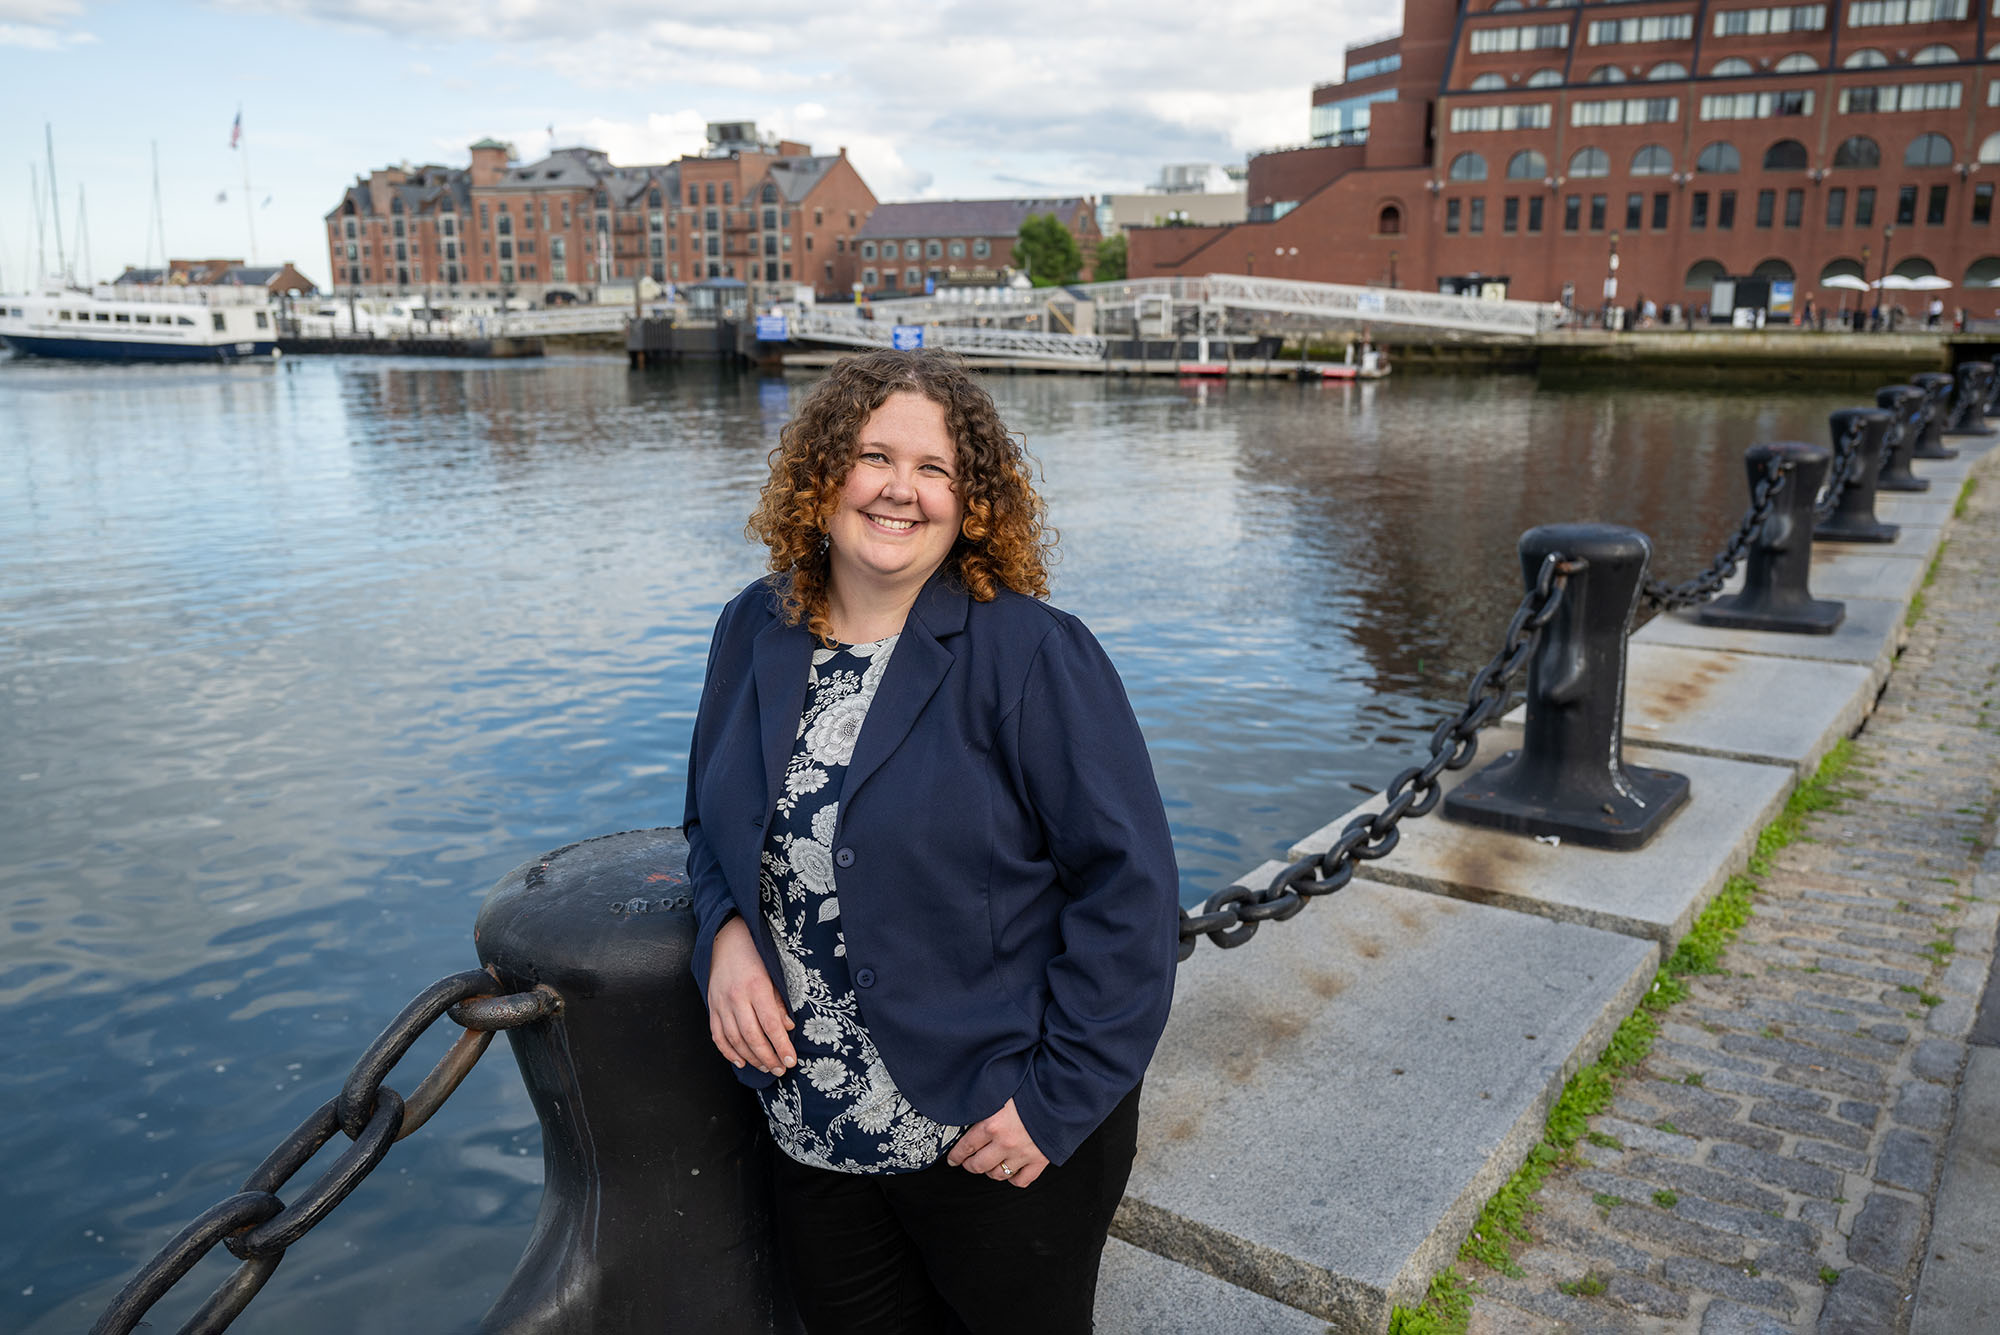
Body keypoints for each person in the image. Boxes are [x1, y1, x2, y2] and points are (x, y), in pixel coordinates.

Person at [684, 348, 1181, 1334]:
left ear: (971, 502)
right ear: (823, 472)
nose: (900, 491)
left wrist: (1055, 1102)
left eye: (936, 469)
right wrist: (727, 938)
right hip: (813, 1131)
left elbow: (1128, 893)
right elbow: (708, 824)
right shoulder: (754, 627)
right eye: (874, 456)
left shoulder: (1032, 654)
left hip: (993, 1135)